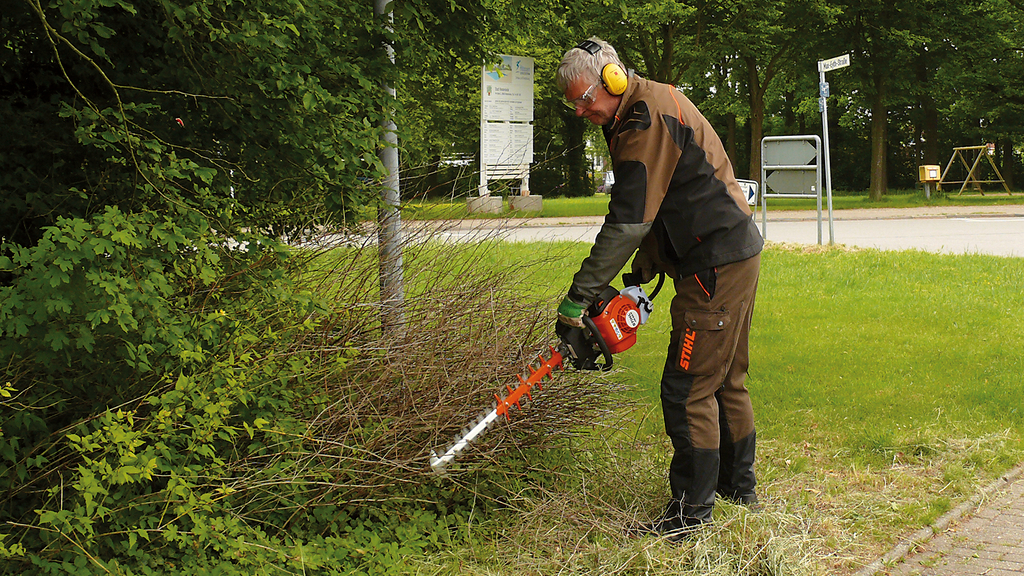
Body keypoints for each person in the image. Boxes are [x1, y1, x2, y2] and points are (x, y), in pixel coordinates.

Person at [555, 37, 764, 537]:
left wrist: (578, 298)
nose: (583, 110)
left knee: (687, 388)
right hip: (730, 252)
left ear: (613, 78)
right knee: (725, 380)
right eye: (575, 105)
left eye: (588, 98)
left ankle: (690, 516)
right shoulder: (641, 108)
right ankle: (739, 492)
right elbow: (666, 201)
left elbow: (629, 220)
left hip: (713, 262)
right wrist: (643, 272)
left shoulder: (643, 118)